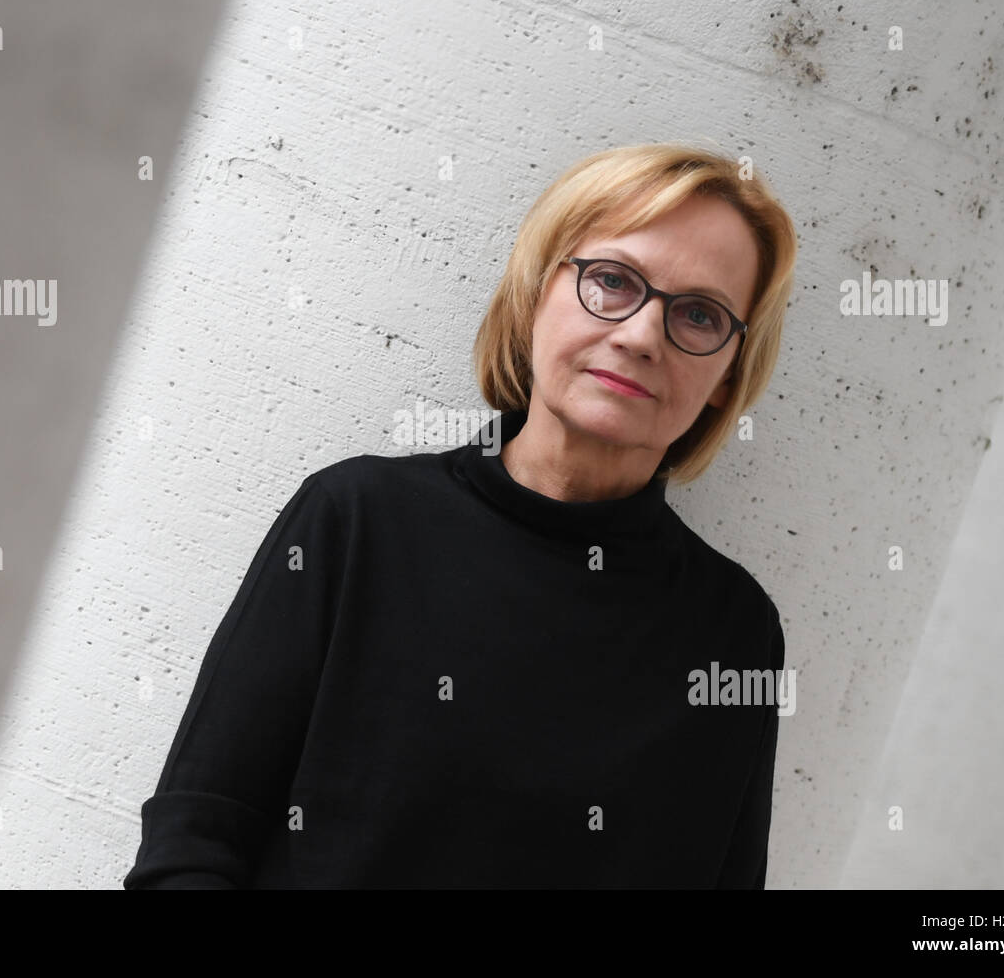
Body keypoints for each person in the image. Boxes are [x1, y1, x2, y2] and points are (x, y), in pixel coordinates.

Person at [123, 142, 798, 889]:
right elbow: (191, 849)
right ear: (538, 291)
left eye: (699, 314)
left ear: (725, 375)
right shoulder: (355, 525)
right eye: (611, 280)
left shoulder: (733, 631)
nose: (641, 335)